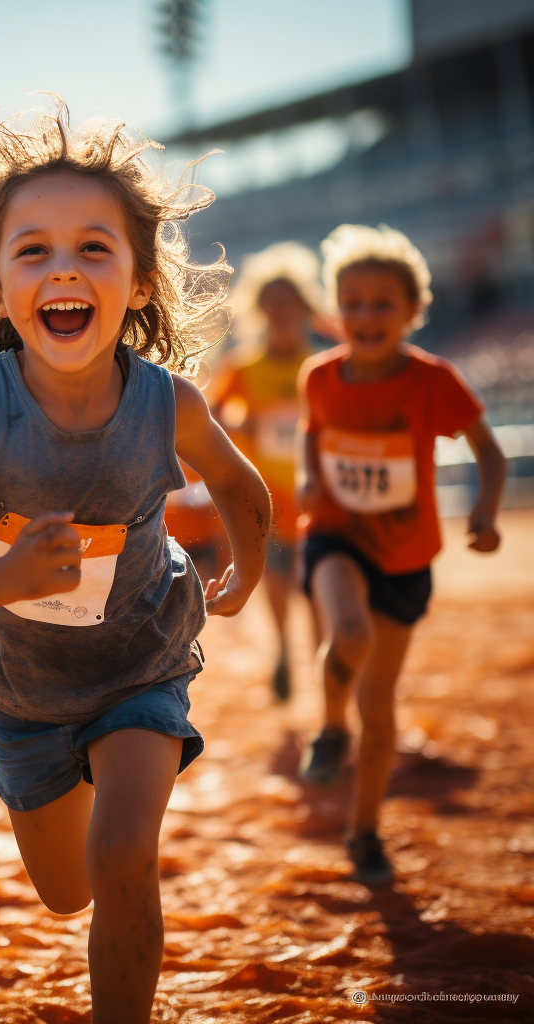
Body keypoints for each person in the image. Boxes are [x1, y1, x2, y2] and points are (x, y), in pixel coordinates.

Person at [0, 101, 270, 1024]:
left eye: (96, 248)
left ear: (137, 283)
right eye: (34, 250)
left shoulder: (167, 402)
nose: (65, 268)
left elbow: (241, 485)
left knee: (123, 855)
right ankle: (73, 775)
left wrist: (246, 564)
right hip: (23, 693)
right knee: (65, 891)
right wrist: (10, 580)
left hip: (143, 659)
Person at [297, 224, 506, 884]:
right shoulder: (320, 378)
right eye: (352, 301)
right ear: (336, 311)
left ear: (412, 312)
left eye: (382, 302)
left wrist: (484, 510)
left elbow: (489, 451)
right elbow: (312, 432)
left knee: (381, 710)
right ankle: (329, 729)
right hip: (334, 535)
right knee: (346, 632)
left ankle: (364, 832)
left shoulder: (432, 381)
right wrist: (308, 477)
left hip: (406, 556)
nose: (365, 315)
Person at [211, 242, 328, 700]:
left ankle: (324, 668)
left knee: (318, 588)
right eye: (271, 302)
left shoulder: (320, 367)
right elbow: (211, 417)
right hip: (267, 499)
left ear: (304, 305)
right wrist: (241, 423)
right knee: (277, 581)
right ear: (258, 307)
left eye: (288, 301)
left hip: (317, 497)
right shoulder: (242, 366)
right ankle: (282, 648)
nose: (280, 311)